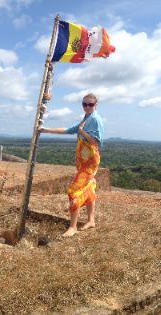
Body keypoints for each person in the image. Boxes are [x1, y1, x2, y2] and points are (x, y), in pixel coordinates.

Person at [40, 92, 105, 237]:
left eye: (90, 104)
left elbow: (96, 141)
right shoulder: (87, 117)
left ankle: (73, 227)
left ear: (96, 105)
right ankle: (91, 220)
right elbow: (69, 130)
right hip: (84, 161)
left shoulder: (95, 119)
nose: (87, 107)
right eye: (84, 104)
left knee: (73, 190)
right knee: (89, 189)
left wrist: (81, 131)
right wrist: (46, 130)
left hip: (90, 162)